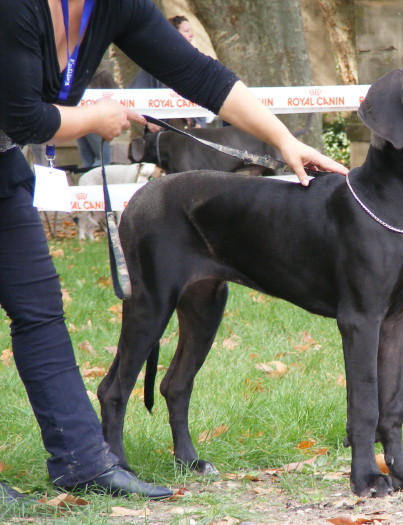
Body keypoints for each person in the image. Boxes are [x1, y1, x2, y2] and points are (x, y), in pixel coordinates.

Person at [0, 0, 347, 503]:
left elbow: (201, 75)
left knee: (39, 313)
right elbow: (24, 114)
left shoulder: (114, 8)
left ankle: (82, 462)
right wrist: (95, 116)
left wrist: (282, 139)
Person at [130, 15, 204, 132]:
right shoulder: (155, 63)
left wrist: (198, 122)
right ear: (175, 35)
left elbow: (202, 95)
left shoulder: (194, 64)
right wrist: (148, 120)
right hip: (161, 135)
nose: (191, 35)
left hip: (189, 136)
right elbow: (133, 97)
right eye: (186, 31)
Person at [75, 68, 118, 167]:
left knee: (87, 161)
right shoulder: (104, 75)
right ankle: (97, 182)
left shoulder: (76, 74)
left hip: (78, 119)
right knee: (103, 160)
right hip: (96, 120)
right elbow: (117, 95)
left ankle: (85, 182)